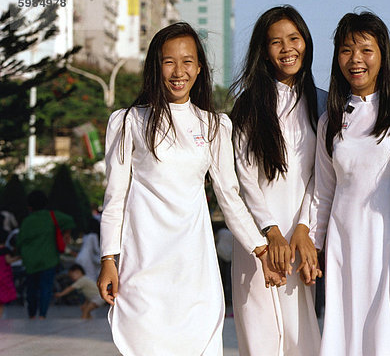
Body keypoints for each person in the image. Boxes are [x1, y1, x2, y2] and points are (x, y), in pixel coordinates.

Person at [96, 22, 283, 356]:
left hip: (195, 270)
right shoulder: (128, 122)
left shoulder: (213, 125)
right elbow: (115, 198)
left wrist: (261, 249)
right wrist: (108, 258)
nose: (178, 71)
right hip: (144, 266)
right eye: (169, 61)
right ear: (155, 66)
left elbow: (230, 197)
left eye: (187, 61)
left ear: (199, 68)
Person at [314, 11, 390, 355]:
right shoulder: (330, 119)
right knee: (346, 324)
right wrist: (315, 247)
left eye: (366, 49)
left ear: (382, 55)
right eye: (347, 50)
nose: (356, 60)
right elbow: (323, 191)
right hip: (344, 240)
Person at [229, 5, 326, 356]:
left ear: (306, 43)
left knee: (302, 333)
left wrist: (303, 227)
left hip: (301, 241)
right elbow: (245, 177)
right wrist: (270, 231)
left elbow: (322, 174)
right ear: (264, 52)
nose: (287, 48)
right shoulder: (247, 108)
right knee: (261, 335)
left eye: (294, 38)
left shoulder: (323, 104)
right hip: (258, 240)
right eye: (276, 42)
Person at [16, 190, 75, 319]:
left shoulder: (27, 221)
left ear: (30, 206)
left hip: (30, 260)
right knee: (45, 287)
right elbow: (70, 220)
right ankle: (42, 314)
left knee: (31, 288)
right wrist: (66, 234)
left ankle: (31, 314)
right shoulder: (52, 216)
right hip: (49, 258)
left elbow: (19, 241)